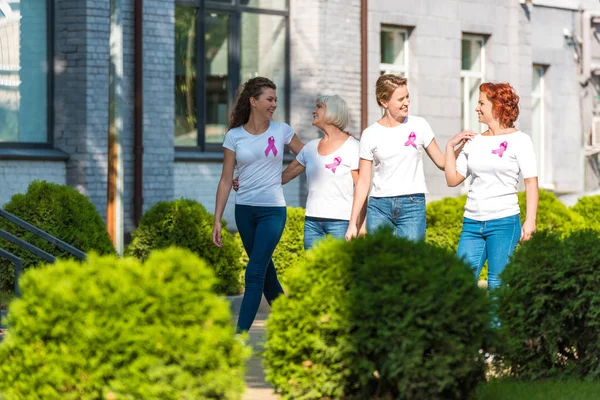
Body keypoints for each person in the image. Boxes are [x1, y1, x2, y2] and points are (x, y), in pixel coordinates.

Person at [212, 77, 304, 333]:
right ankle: (293, 327)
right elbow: (225, 179)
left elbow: (307, 155)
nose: (274, 104)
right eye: (269, 99)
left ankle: (239, 337)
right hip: (244, 211)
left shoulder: (282, 130)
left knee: (253, 273)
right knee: (266, 273)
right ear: (253, 102)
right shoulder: (234, 136)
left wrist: (283, 177)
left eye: (275, 99)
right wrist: (217, 219)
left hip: (272, 211)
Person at [345, 74, 467, 241]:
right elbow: (363, 182)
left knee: (411, 262)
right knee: (380, 262)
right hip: (379, 207)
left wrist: (454, 146)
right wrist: (353, 223)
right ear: (384, 101)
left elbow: (442, 163)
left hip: (412, 205)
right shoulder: (370, 134)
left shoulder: (419, 125)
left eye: (407, 96)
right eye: (401, 99)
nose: (407, 102)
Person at [445, 82, 539, 290]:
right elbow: (453, 179)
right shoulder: (473, 141)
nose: (476, 108)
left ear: (497, 106)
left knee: (498, 285)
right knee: (459, 282)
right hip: (472, 223)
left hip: (504, 222)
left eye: (481, 103)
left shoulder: (520, 140)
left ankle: (499, 324)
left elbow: (531, 183)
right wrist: (451, 147)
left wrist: (530, 220)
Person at [280, 94, 364, 249]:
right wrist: (249, 181)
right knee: (313, 270)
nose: (314, 111)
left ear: (333, 112)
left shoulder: (353, 147)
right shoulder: (310, 148)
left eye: (319, 107)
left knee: (340, 271)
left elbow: (362, 188)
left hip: (341, 222)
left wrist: (361, 224)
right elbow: (283, 177)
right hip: (312, 222)